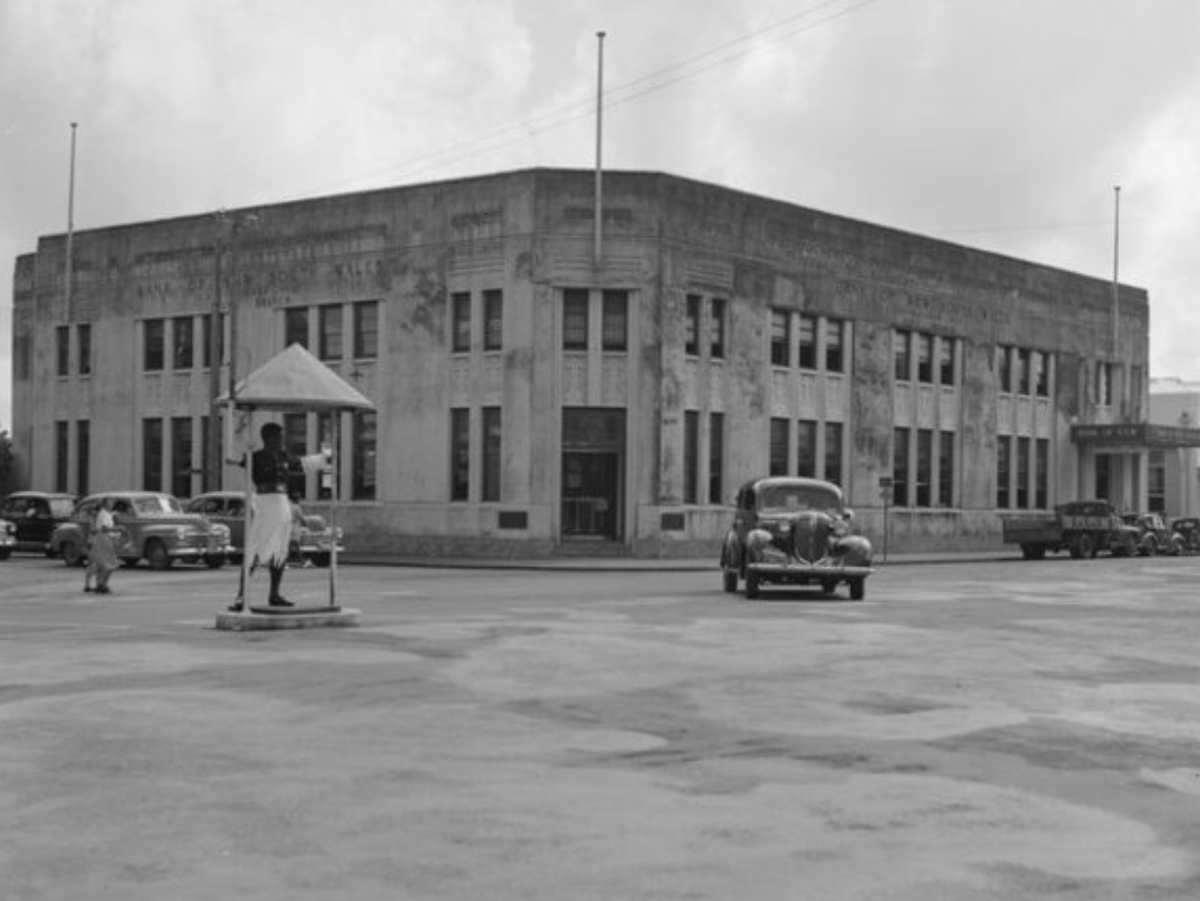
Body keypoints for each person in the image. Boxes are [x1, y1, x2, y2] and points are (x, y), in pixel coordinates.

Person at [228, 422, 297, 612]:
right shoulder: (255, 457)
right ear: (271, 438)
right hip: (265, 504)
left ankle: (274, 593)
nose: (283, 441)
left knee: (280, 549)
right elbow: (233, 460)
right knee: (254, 550)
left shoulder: (283, 456)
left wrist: (322, 459)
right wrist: (238, 435)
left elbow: (299, 463)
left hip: (282, 503)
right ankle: (242, 596)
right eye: (280, 437)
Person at [84, 497, 118, 595]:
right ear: (105, 504)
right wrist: (117, 530)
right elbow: (104, 528)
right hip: (102, 539)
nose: (112, 504)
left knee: (104, 565)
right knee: (107, 564)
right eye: (110, 502)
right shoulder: (102, 514)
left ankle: (101, 584)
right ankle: (100, 585)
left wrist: (114, 534)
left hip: (106, 539)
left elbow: (107, 528)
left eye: (112, 502)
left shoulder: (108, 514)